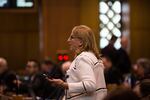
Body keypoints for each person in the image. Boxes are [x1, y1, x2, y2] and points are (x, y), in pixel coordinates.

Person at [47, 25, 107, 100]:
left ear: (81, 42)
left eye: (72, 37)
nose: (68, 40)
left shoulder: (83, 58)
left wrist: (64, 85)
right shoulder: (92, 57)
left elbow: (90, 85)